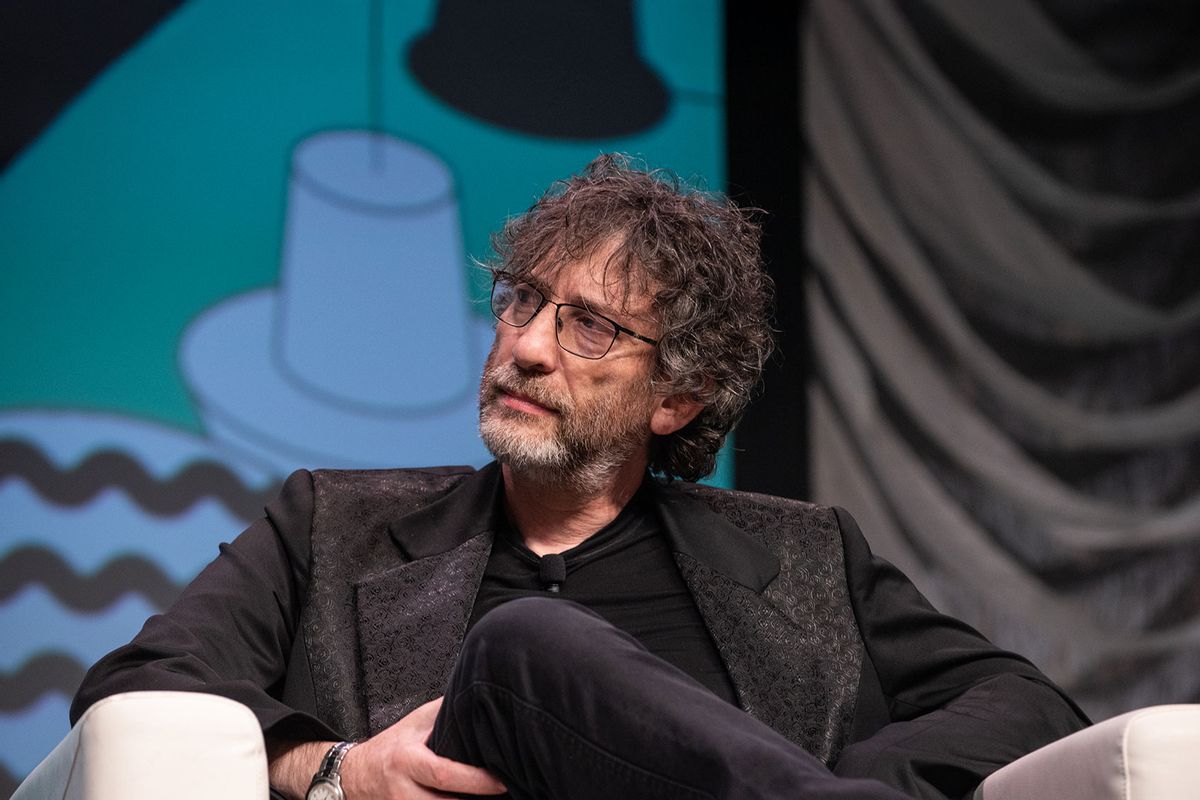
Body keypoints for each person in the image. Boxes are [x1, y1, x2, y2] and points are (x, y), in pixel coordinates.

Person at [71, 154, 1088, 800]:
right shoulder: (329, 523)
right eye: (521, 301)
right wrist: (338, 768)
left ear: (676, 399)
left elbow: (1023, 704)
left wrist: (835, 777)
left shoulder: (806, 555)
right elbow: (136, 685)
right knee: (521, 645)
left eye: (590, 325)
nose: (522, 348)